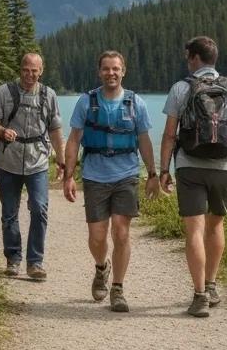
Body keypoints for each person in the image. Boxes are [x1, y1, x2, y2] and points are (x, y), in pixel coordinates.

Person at [159, 36, 227, 318]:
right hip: (224, 166)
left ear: (194, 58)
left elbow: (169, 135)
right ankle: (212, 285)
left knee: (194, 229)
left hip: (189, 165)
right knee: (215, 225)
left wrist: (164, 170)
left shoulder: (181, 88)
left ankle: (199, 295)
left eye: (187, 57)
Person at [63, 51, 159, 313]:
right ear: (99, 72)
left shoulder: (136, 103)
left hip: (126, 174)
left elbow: (144, 140)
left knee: (121, 231)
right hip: (94, 175)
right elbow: (74, 139)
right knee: (97, 236)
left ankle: (117, 288)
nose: (111, 73)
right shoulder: (86, 102)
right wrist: (69, 176)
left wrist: (152, 174)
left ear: (123, 71)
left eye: (115, 69)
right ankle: (101, 267)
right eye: (106, 69)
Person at [0, 52, 65, 280]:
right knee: (9, 212)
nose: (29, 75)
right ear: (20, 69)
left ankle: (35, 262)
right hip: (8, 160)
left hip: (38, 161)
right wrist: (1, 131)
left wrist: (61, 159)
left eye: (34, 71)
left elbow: (55, 129)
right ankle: (13, 259)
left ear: (41, 71)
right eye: (25, 70)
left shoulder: (49, 95)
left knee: (39, 209)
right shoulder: (4, 92)